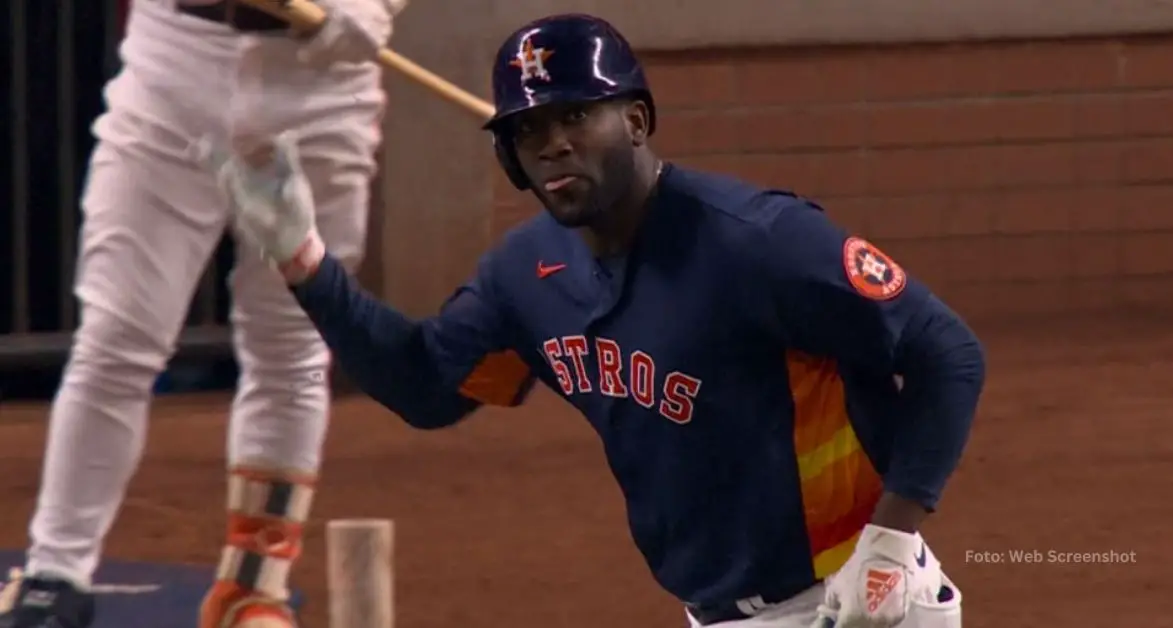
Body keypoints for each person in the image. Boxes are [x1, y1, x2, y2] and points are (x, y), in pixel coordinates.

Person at [216, 13, 985, 628]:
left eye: (577, 115)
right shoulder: (524, 278)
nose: (553, 143)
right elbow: (425, 386)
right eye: (528, 129)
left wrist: (891, 536)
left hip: (861, 601)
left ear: (638, 120)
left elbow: (946, 350)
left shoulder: (758, 240)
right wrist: (303, 260)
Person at [0, 0, 408, 626]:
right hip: (175, 61)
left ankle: (253, 588)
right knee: (115, 337)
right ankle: (55, 578)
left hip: (322, 81)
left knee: (291, 343)